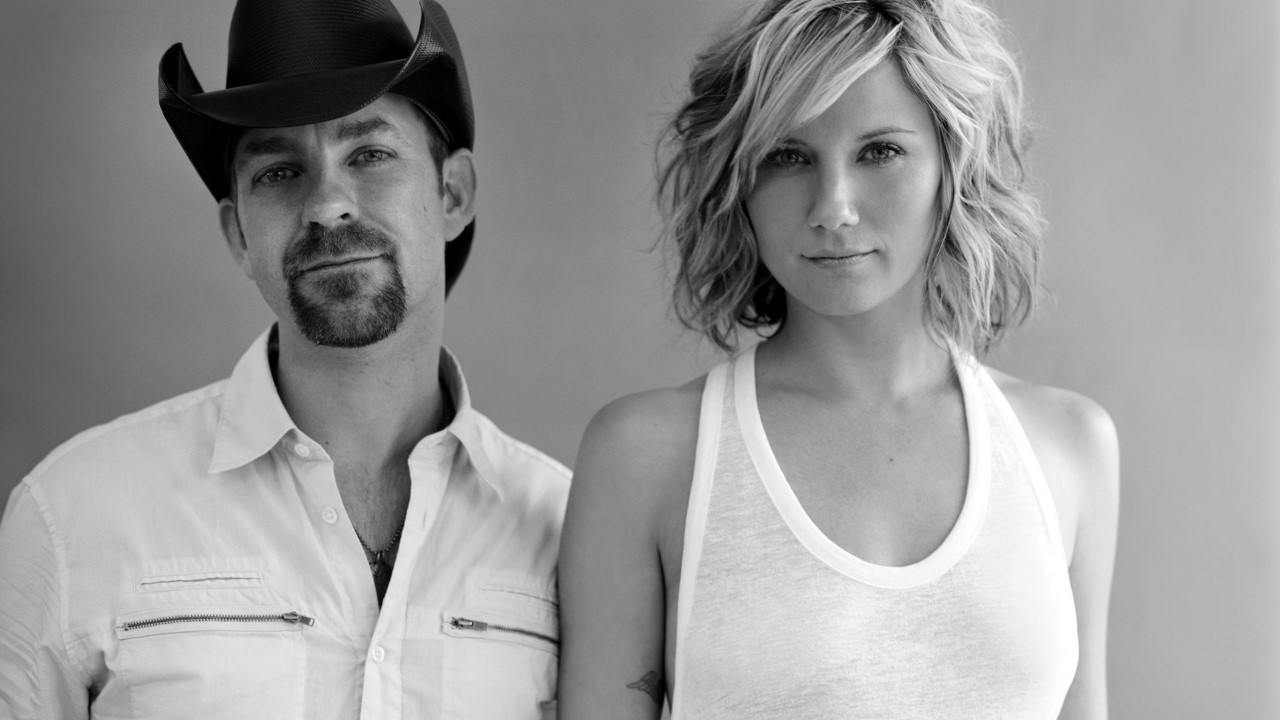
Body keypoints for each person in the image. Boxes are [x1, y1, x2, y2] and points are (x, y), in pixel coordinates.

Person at [0, 1, 568, 717]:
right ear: (239, 234)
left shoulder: (568, 536)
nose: (327, 205)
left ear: (452, 194)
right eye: (278, 171)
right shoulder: (74, 513)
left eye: (369, 155)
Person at [559, 0, 1119, 717]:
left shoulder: (1068, 448)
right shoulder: (647, 458)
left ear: (954, 164)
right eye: (787, 157)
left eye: (879, 151)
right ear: (738, 182)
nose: (833, 208)